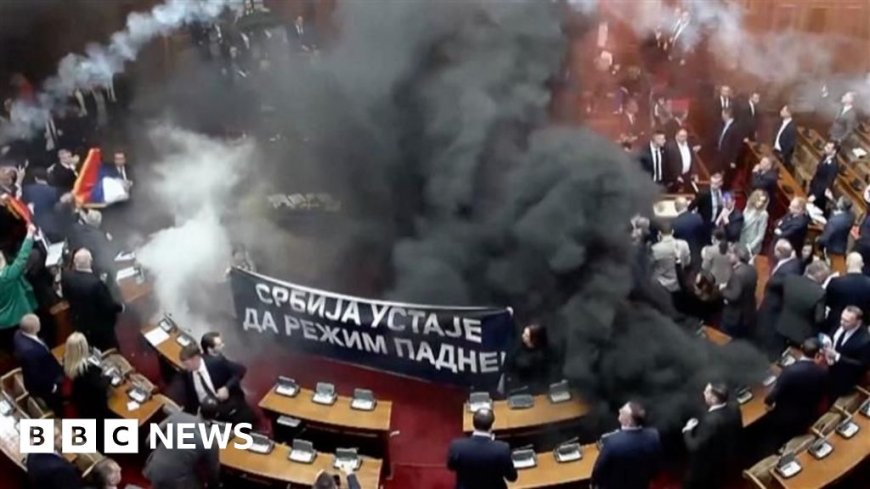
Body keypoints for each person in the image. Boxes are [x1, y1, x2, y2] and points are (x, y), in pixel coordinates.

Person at [764, 338, 827, 449]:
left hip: (784, 417)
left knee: (779, 439)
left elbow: (775, 393)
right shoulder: (822, 372)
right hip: (807, 415)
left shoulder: (790, 371)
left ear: (801, 349)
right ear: (817, 354)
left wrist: (768, 403)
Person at [175, 343, 255, 425]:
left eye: (187, 364)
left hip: (231, 408)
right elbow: (192, 398)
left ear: (195, 359)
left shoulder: (216, 362)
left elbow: (241, 370)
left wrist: (226, 387)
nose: (184, 367)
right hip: (210, 415)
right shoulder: (187, 374)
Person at [682, 382, 741, 489]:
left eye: (707, 392)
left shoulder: (710, 421)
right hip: (727, 456)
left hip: (709, 464)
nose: (704, 393)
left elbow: (694, 447)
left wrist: (687, 430)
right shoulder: (734, 406)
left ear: (714, 399)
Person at [143, 408, 220, 489]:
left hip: (154, 471)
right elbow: (212, 473)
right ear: (215, 418)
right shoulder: (211, 438)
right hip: (177, 484)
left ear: (198, 410)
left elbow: (149, 441)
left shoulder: (176, 416)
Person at [61, 248, 122, 350]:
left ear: (75, 263)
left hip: (80, 323)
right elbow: (108, 306)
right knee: (110, 350)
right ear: (90, 261)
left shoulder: (67, 277)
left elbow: (66, 296)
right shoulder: (96, 283)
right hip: (100, 326)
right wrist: (121, 307)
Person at [591, 402, 662, 489]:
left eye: (622, 411)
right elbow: (656, 465)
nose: (619, 410)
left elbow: (600, 470)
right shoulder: (654, 435)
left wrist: (593, 483)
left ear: (628, 421)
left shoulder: (613, 442)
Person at [63, 332, 111, 449]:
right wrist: (109, 377)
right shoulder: (87, 369)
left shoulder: (67, 361)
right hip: (93, 408)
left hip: (80, 404)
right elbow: (100, 385)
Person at [447, 408, 517, 489]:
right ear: (491, 426)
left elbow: (451, 467)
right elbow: (512, 477)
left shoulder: (457, 446)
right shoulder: (502, 449)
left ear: (473, 424)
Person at [13, 313, 64, 414]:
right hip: (46, 386)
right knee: (59, 403)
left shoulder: (18, 334)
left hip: (39, 371)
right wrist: (53, 387)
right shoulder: (33, 352)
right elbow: (38, 375)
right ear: (35, 328)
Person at [776, 260, 829, 348]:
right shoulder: (820, 293)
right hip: (801, 335)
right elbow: (819, 319)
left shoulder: (790, 279)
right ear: (820, 275)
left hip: (782, 325)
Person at [0, 224, 37, 344]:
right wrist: (30, 234)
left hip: (3, 324)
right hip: (20, 318)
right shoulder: (7, 276)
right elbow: (22, 259)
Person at [824, 306, 870, 397]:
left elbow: (861, 365)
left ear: (858, 322)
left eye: (847, 321)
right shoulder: (840, 321)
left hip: (841, 378)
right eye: (842, 319)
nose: (842, 323)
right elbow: (831, 335)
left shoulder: (865, 341)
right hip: (825, 368)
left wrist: (837, 357)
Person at [20, 167, 73, 243]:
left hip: (35, 229)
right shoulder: (55, 191)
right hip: (54, 227)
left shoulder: (26, 189)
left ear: (36, 178)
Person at [503, 323, 557, 392]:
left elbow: (553, 369)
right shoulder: (516, 350)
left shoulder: (549, 350)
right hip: (522, 386)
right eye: (524, 334)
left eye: (526, 335)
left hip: (544, 386)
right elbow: (510, 372)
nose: (523, 336)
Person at [825, 253, 870, 333]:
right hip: (862, 327)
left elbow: (828, 303)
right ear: (862, 264)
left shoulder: (835, 282)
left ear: (846, 263)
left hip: (837, 325)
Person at [720, 244, 757, 338]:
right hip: (748, 312)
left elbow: (734, 296)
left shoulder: (737, 274)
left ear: (737, 256)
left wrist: (722, 289)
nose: (728, 255)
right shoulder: (752, 269)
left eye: (730, 253)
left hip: (734, 316)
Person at [650, 220, 691, 294]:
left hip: (663, 288)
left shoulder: (654, 249)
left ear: (659, 233)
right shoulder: (684, 244)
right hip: (680, 285)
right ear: (672, 232)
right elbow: (688, 263)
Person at [688, 171, 725, 240]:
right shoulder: (703, 193)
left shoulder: (722, 193)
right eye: (712, 182)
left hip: (715, 223)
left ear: (721, 183)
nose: (713, 185)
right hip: (703, 223)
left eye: (716, 183)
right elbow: (690, 207)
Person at [671, 196, 705, 266]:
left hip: (683, 258)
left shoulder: (675, 223)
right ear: (687, 205)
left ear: (676, 207)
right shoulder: (698, 218)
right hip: (697, 255)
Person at [817, 197, 854, 262]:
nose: (837, 202)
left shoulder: (834, 221)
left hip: (831, 248)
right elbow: (839, 209)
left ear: (840, 205)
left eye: (838, 201)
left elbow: (824, 239)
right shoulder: (851, 216)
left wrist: (818, 239)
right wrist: (832, 199)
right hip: (842, 246)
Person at [807, 141, 839, 213]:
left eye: (828, 148)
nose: (825, 148)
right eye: (826, 146)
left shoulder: (834, 166)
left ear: (834, 151)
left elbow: (828, 183)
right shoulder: (825, 156)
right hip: (814, 186)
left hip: (819, 194)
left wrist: (815, 195)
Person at [739, 190, 769, 256]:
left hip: (751, 244)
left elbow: (760, 235)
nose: (760, 203)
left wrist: (750, 247)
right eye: (759, 200)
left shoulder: (763, 214)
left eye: (763, 202)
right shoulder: (748, 206)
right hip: (741, 238)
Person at [712, 107, 741, 176]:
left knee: (723, 175)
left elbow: (736, 145)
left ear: (726, 115)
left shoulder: (736, 128)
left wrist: (733, 160)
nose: (721, 115)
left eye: (722, 113)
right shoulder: (722, 124)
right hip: (719, 154)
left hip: (727, 158)